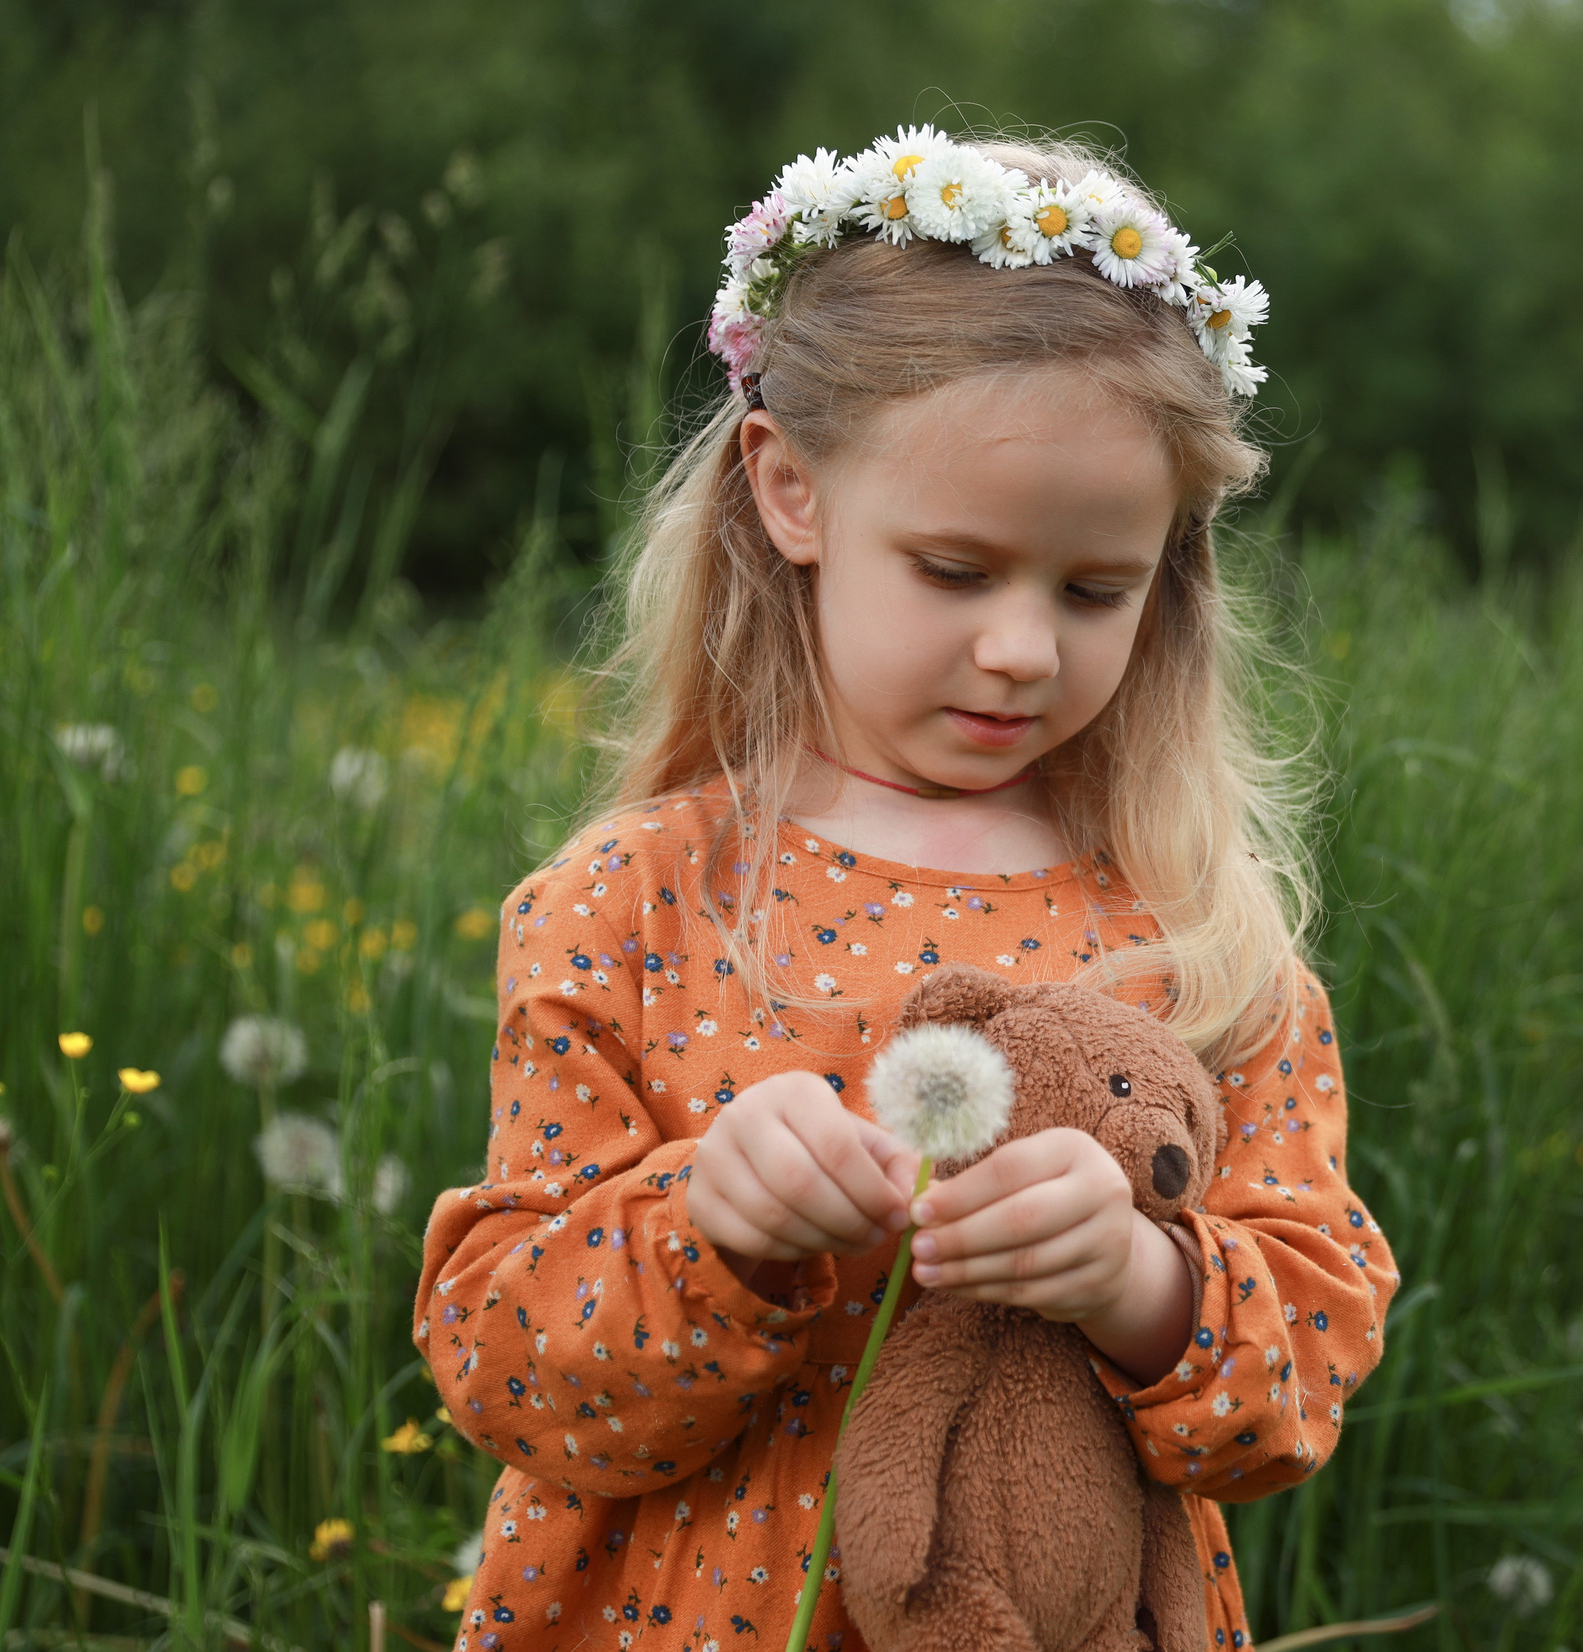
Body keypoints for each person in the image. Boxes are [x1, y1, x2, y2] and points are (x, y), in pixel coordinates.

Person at [414, 127, 1398, 1652]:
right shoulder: (637, 903)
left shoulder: (1196, 940)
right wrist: (711, 1232)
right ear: (790, 490)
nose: (1022, 647)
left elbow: (1303, 1375)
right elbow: (508, 1376)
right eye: (954, 569)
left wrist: (1140, 1281)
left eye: (1093, 590)